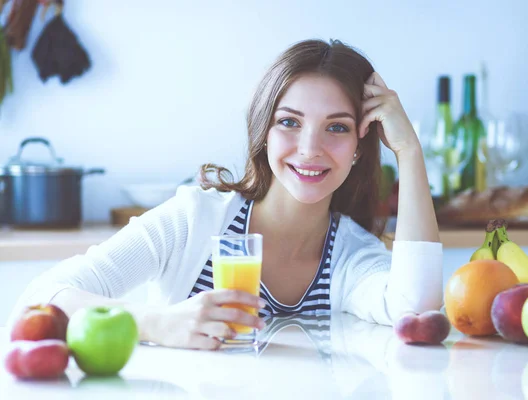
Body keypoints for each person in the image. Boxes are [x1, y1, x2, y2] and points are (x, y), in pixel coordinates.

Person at [9, 39, 443, 350]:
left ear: (358, 149)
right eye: (289, 122)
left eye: (337, 127)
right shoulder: (192, 220)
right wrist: (157, 323)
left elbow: (417, 311)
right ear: (263, 134)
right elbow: (40, 299)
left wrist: (409, 151)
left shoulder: (350, 254)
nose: (310, 148)